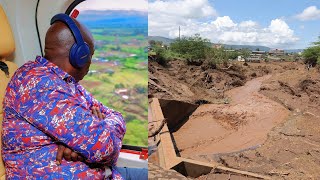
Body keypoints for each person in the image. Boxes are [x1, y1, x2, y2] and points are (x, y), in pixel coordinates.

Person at [2, 14, 147, 179]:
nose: (90, 62)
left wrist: (94, 131)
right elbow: (106, 148)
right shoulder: (37, 83)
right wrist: (92, 140)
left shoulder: (66, 82)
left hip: (105, 174)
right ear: (79, 55)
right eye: (90, 55)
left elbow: (116, 116)